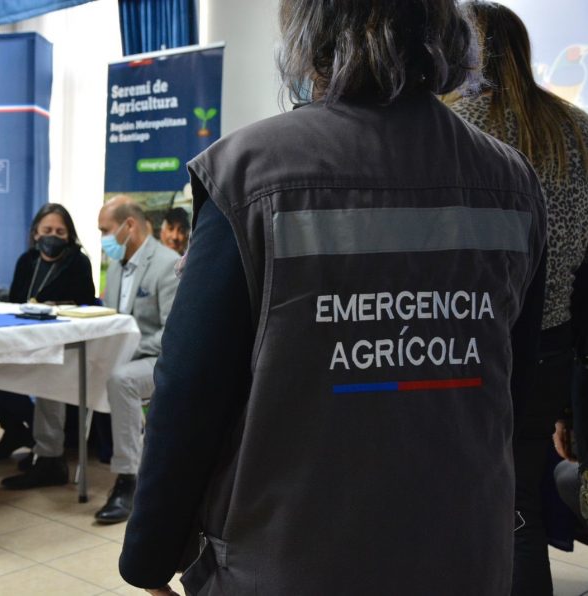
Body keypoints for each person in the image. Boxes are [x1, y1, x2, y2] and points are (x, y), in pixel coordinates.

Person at [118, 1, 548, 594]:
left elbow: (190, 390)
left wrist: (149, 556)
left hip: (287, 558)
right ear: (446, 34)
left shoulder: (249, 172)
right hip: (464, 550)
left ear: (309, 37)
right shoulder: (512, 181)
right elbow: (512, 388)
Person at [446, 4, 588, 593]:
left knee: (454, 510)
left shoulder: (450, 123)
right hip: (553, 347)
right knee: (519, 507)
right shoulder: (576, 126)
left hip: (462, 345)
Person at [2, 196, 179, 526]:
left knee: (122, 379)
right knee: (54, 365)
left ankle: (129, 479)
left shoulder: (167, 264)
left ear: (129, 226)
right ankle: (50, 458)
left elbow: (175, 332)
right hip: (119, 353)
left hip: (157, 358)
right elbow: (112, 318)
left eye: (106, 230)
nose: (103, 239)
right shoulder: (116, 267)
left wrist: (127, 348)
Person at [0, 203, 96, 460]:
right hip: (20, 337)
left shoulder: (78, 262)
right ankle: (16, 429)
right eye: (47, 229)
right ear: (36, 233)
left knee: (47, 375)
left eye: (60, 232)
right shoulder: (27, 260)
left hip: (59, 344)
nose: (53, 236)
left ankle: (48, 455)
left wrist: (54, 306)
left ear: (69, 235)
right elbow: (15, 300)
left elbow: (86, 302)